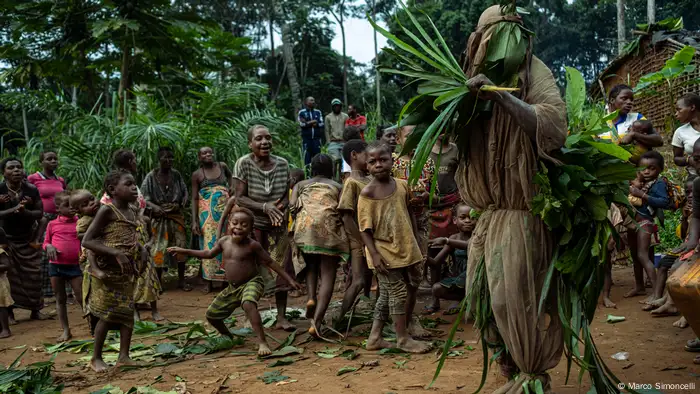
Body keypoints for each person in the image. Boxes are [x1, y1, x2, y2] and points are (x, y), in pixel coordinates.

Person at [455, 6, 568, 389]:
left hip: (522, 215)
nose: (504, 41)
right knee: (481, 303)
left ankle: (533, 377)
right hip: (489, 215)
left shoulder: (535, 72)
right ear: (478, 37)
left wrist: (503, 98)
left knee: (513, 302)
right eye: (495, 32)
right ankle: (509, 370)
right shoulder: (465, 77)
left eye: (512, 32)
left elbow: (553, 125)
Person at [168, 207, 302, 356]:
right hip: (232, 288)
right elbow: (208, 254)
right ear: (229, 225)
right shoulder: (224, 241)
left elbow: (270, 262)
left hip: (252, 282)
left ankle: (262, 342)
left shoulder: (253, 245)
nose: (238, 227)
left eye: (244, 225)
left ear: (251, 229)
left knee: (248, 303)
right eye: (235, 223)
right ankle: (228, 335)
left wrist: (289, 279)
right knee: (212, 315)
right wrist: (185, 250)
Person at [359, 142, 430, 354]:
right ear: (367, 166)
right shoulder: (367, 193)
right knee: (398, 292)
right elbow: (364, 229)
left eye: (383, 160)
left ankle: (374, 338)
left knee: (386, 296)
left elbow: (409, 213)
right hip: (383, 251)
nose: (379, 164)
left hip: (404, 246)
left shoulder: (401, 185)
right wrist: (374, 254)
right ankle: (402, 338)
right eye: (373, 162)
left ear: (393, 161)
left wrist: (416, 239)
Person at [82, 170, 147, 373]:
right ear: (112, 190)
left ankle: (124, 356)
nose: (134, 187)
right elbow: (87, 241)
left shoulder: (134, 210)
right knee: (108, 314)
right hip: (106, 269)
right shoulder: (107, 211)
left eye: (134, 184)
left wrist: (141, 251)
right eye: (128, 184)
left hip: (126, 270)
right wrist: (116, 253)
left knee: (126, 312)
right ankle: (96, 357)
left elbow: (133, 236)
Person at [234, 125, 295, 331]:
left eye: (268, 138)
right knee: (250, 271)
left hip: (278, 228)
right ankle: (250, 316)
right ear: (250, 143)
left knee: (281, 269)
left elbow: (287, 193)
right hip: (252, 227)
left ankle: (281, 317)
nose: (265, 142)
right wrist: (264, 207)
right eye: (259, 139)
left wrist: (280, 207)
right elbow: (239, 197)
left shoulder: (283, 164)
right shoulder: (243, 164)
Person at [290, 154, 349, 336]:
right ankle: (317, 322)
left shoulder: (301, 185)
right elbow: (343, 208)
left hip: (305, 229)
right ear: (332, 170)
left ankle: (310, 298)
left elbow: (292, 205)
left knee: (311, 266)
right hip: (328, 230)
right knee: (328, 273)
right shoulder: (338, 186)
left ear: (311, 169)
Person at [0, 158, 46, 323]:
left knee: (34, 274)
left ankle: (36, 310)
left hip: (28, 238)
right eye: (11, 168)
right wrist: (13, 209)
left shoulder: (31, 189)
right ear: (3, 172)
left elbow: (40, 214)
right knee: (11, 276)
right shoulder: (0, 189)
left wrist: (25, 212)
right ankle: (10, 314)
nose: (16, 170)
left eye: (19, 167)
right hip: (6, 239)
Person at [142, 147, 189, 291]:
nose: (169, 161)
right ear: (159, 159)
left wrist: (184, 201)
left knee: (180, 248)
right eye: (165, 158)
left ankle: (181, 280)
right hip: (159, 217)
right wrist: (154, 207)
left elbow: (184, 191)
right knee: (158, 249)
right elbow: (143, 198)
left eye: (171, 158)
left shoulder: (176, 174)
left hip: (175, 216)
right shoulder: (151, 176)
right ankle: (159, 282)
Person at [625, 151, 669, 304]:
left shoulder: (659, 183)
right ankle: (639, 286)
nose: (647, 172)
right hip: (633, 222)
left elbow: (664, 202)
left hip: (645, 222)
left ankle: (657, 293)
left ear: (660, 169)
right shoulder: (640, 182)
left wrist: (641, 195)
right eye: (643, 168)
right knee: (635, 255)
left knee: (643, 255)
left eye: (652, 168)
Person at [424, 134, 461, 314]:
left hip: (453, 206)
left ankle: (456, 295)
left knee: (455, 252)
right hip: (430, 208)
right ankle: (434, 297)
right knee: (433, 254)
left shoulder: (456, 150)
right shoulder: (425, 150)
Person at [338, 139, 373, 318]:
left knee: (369, 276)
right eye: (367, 155)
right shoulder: (351, 182)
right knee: (358, 280)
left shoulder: (369, 179)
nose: (370, 159)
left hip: (370, 236)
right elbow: (346, 215)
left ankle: (369, 308)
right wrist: (360, 241)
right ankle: (339, 318)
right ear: (354, 156)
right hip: (359, 238)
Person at [43, 191, 83, 342]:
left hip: (75, 266)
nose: (72, 208)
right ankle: (66, 330)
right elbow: (46, 242)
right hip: (56, 266)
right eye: (68, 205)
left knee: (80, 296)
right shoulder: (52, 224)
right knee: (60, 299)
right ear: (58, 208)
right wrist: (49, 247)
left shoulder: (80, 222)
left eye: (74, 205)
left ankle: (93, 324)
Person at [191, 147, 232, 292]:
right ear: (199, 157)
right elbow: (195, 197)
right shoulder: (197, 175)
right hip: (207, 216)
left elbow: (231, 180)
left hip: (225, 212)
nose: (208, 155)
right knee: (208, 245)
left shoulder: (222, 166)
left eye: (210, 152)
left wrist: (231, 191)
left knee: (226, 241)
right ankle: (208, 281)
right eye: (204, 153)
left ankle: (225, 281)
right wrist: (195, 220)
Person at [27, 151, 67, 301]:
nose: (53, 161)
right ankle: (45, 290)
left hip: (58, 220)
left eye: (55, 159)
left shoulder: (60, 180)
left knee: (60, 251)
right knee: (44, 254)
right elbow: (26, 194)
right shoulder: (34, 178)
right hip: (42, 220)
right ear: (41, 162)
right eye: (49, 159)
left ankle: (62, 289)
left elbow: (65, 198)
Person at [427, 203, 475, 313]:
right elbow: (435, 262)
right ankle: (462, 299)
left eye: (472, 218)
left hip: (475, 278)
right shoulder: (454, 237)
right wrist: (424, 255)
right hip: (460, 279)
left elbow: (470, 245)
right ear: (454, 220)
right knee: (436, 289)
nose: (468, 221)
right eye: (463, 217)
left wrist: (446, 241)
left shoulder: (478, 235)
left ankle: (469, 300)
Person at [602, 84, 662, 163]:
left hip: (637, 170)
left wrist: (634, 135)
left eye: (631, 99)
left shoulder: (637, 118)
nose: (629, 102)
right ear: (612, 100)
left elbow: (659, 140)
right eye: (624, 98)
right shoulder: (600, 123)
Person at [133, 215, 162, 321]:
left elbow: (152, 236)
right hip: (132, 258)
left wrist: (149, 244)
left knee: (150, 282)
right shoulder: (124, 221)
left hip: (146, 257)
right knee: (134, 284)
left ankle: (154, 310)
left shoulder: (145, 220)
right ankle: (135, 311)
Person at [672, 93, 700, 178]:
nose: (676, 114)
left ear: (692, 107)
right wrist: (689, 160)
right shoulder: (680, 132)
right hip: (694, 178)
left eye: (679, 109)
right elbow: (676, 159)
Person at [325, 99, 350, 180]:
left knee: (344, 161)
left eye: (338, 106)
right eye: (335, 106)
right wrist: (328, 142)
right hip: (333, 142)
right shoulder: (328, 117)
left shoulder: (345, 116)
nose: (336, 107)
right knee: (334, 160)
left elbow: (347, 129)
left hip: (343, 141)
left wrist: (347, 141)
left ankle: (341, 179)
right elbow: (327, 130)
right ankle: (332, 178)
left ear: (340, 106)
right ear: (332, 107)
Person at [298, 96, 325, 168]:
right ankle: (307, 175)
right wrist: (313, 121)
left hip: (316, 139)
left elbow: (321, 123)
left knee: (317, 158)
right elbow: (302, 124)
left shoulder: (318, 112)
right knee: (307, 158)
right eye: (311, 100)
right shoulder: (302, 112)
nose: (313, 102)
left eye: (314, 100)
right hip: (306, 139)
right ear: (306, 102)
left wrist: (308, 122)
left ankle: (317, 174)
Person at [0, 230, 14, 338]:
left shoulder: (0, 251)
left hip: (1, 283)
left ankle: (6, 329)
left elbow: (7, 265)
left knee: (2, 306)